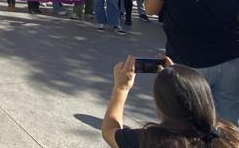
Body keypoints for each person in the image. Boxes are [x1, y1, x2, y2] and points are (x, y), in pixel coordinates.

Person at [146, 0, 239, 124]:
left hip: (186, 62)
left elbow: (150, 9)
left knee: (185, 121)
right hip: (230, 60)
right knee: (229, 121)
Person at [102, 55, 239, 148]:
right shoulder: (228, 133)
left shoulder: (154, 139)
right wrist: (178, 76)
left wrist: (121, 88)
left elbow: (109, 131)